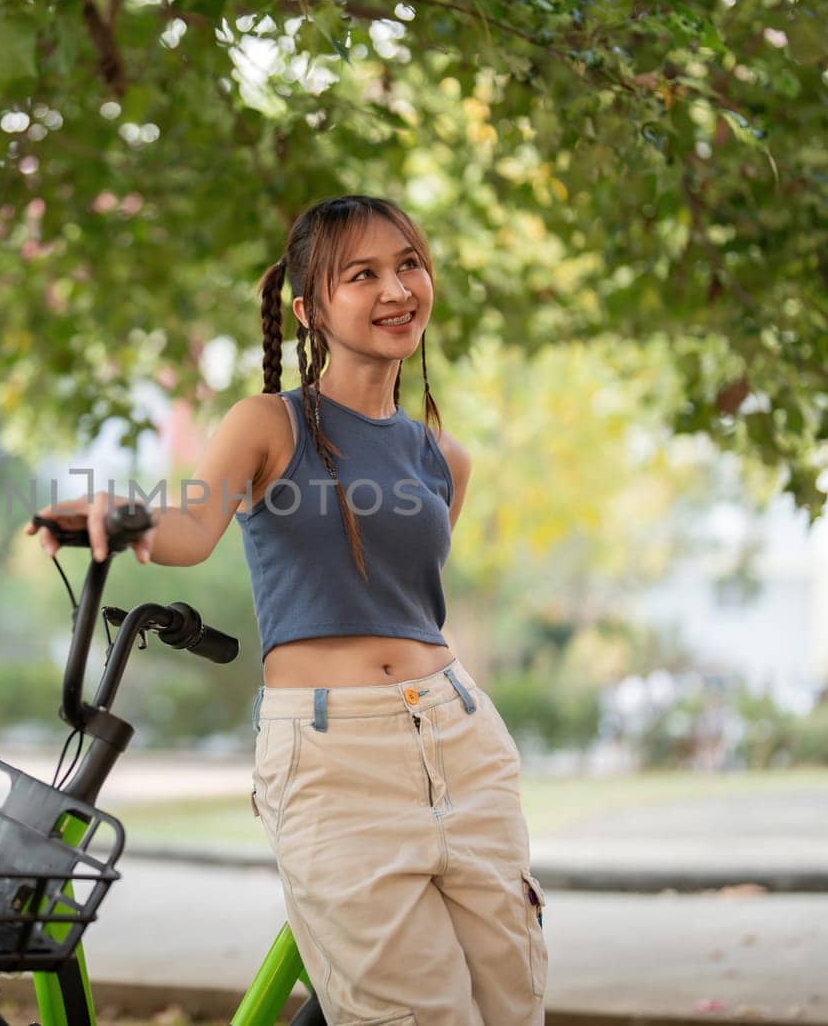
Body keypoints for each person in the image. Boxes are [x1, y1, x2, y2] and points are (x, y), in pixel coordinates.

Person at [28, 195, 546, 1026]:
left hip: (461, 740)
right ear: (309, 308)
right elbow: (193, 525)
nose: (396, 288)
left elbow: (410, 606)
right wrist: (124, 515)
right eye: (362, 274)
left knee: (513, 1005)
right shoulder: (267, 424)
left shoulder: (443, 456)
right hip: (337, 753)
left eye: (408, 264)